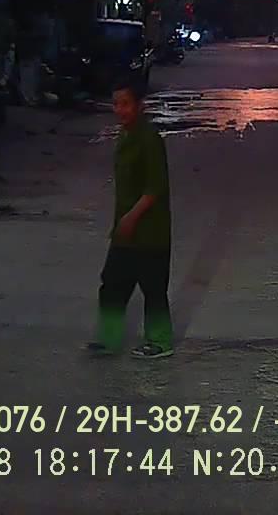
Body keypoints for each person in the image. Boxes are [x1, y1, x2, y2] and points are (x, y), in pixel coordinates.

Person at [87, 78, 174, 359]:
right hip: (125, 230)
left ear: (140, 105)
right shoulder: (125, 136)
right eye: (116, 104)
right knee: (112, 284)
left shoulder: (149, 139)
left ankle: (160, 341)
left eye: (125, 104)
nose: (120, 110)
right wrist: (123, 222)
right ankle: (109, 338)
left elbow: (155, 187)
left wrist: (132, 217)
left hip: (150, 231)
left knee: (153, 287)